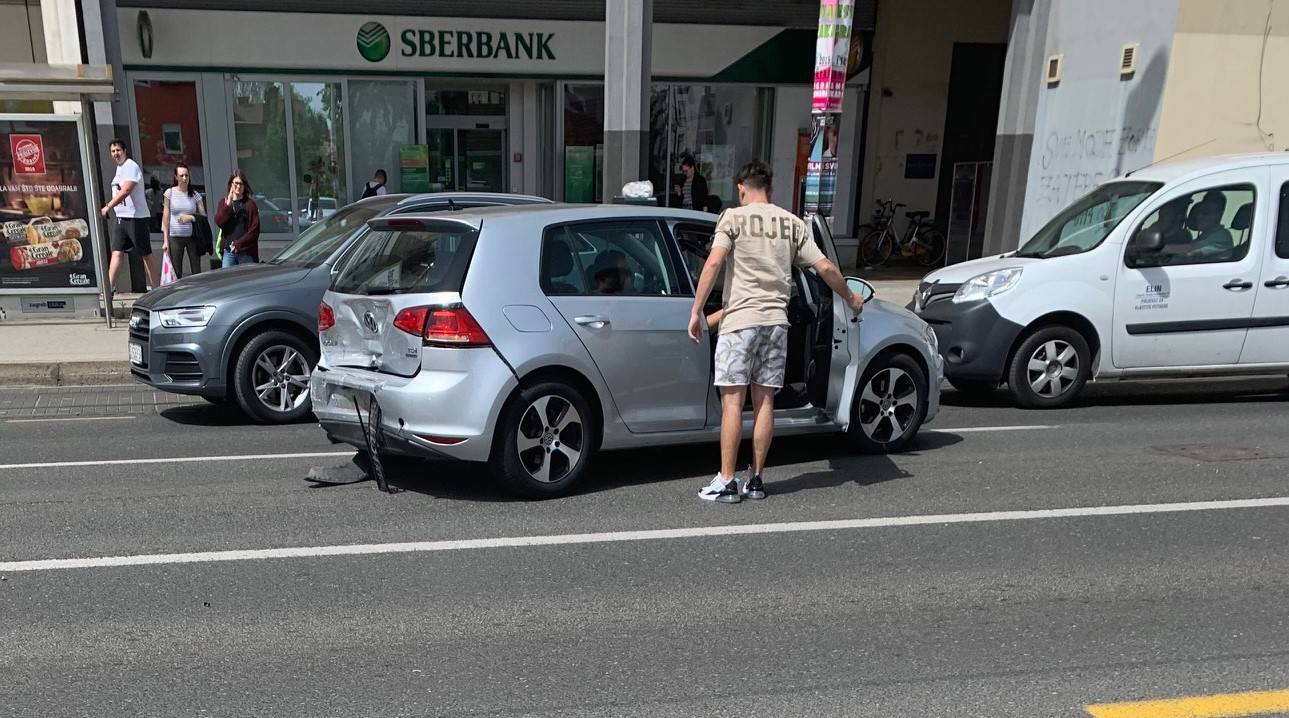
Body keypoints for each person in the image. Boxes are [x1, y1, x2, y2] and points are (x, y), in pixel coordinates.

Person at [688, 160, 862, 503]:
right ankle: (756, 480)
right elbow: (824, 266)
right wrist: (851, 297)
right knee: (765, 401)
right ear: (770, 188)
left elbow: (713, 262)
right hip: (776, 323)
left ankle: (726, 481)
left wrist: (696, 311)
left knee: (733, 404)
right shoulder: (792, 223)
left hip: (739, 321)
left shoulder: (733, 218)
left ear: (741, 187)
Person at [100, 139, 160, 297]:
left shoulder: (131, 166)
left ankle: (158, 288)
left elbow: (126, 190)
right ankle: (109, 290)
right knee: (116, 252)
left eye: (118, 150)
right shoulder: (119, 169)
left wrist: (108, 206)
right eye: (113, 151)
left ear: (125, 150)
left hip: (136, 218)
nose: (115, 154)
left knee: (145, 254)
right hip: (121, 218)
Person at [161, 163, 206, 279]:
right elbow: (165, 218)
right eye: (181, 176)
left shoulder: (195, 194)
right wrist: (165, 240)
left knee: (196, 269)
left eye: (186, 175)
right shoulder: (169, 193)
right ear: (176, 177)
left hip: (192, 237)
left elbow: (203, 217)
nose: (184, 178)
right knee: (176, 271)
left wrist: (191, 217)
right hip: (175, 236)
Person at [214, 170, 261, 268]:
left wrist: (238, 244)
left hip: (246, 253)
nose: (238, 186)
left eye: (241, 184)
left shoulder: (250, 204)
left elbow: (254, 231)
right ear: (231, 184)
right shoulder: (224, 202)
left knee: (247, 281)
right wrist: (228, 204)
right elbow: (219, 222)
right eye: (236, 183)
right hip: (228, 252)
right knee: (228, 281)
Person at [1184, 192, 1234, 261]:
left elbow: (1192, 252)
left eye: (1205, 212)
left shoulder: (1222, 236)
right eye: (1199, 212)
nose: (1199, 216)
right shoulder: (1204, 236)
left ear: (1219, 215)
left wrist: (1167, 249)